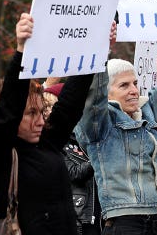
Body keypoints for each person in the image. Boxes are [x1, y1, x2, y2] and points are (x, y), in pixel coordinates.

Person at [75, 0, 157, 235]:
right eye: (124, 85)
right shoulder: (99, 123)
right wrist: (102, 46)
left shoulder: (148, 110)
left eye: (135, 83)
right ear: (107, 91)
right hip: (125, 222)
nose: (134, 89)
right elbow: (93, 91)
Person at [0, 13, 99, 234]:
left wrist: (95, 47)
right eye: (30, 113)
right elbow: (8, 112)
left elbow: (70, 104)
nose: (40, 120)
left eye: (41, 111)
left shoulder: (45, 141)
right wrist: (22, 53)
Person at [49, 82, 102, 235]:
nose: (47, 111)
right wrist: (99, 156)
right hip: (80, 216)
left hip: (101, 214)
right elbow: (73, 173)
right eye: (44, 106)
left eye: (51, 106)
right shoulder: (57, 142)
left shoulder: (85, 136)